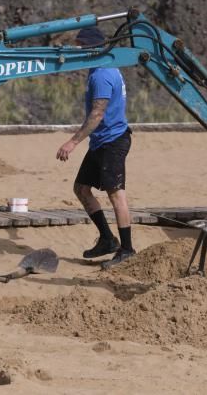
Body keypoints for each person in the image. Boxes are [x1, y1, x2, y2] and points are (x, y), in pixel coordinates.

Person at [56, 26, 134, 268]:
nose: (79, 50)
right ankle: (107, 240)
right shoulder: (102, 67)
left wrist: (73, 142)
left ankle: (127, 249)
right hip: (101, 140)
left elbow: (97, 113)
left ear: (92, 46)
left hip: (113, 141)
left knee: (115, 194)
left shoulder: (101, 74)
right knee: (81, 188)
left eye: (81, 46)